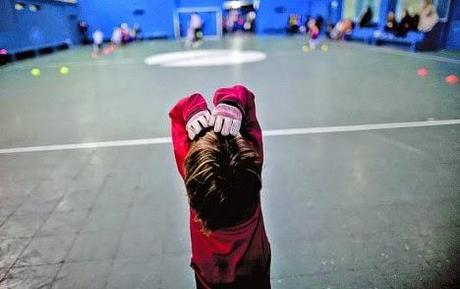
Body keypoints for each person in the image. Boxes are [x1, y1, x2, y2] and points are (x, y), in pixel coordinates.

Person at [169, 85, 271, 289]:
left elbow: (177, 115)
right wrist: (231, 101)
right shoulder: (250, 171)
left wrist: (193, 106)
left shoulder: (197, 178)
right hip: (255, 270)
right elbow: (247, 97)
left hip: (210, 275)